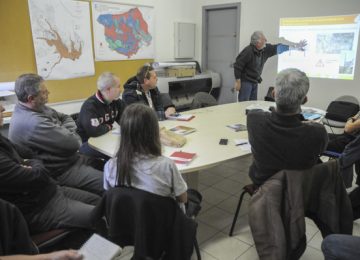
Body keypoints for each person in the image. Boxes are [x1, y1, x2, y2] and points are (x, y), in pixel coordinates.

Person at [0, 105, 98, 235]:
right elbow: (36, 175)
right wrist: (31, 164)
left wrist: (29, 163)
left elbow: (30, 155)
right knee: (99, 216)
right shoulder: (32, 121)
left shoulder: (2, 139)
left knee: (101, 203)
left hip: (51, 189)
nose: (2, 108)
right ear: (30, 98)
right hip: (38, 208)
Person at [8, 73, 103, 196]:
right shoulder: (34, 122)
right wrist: (65, 130)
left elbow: (66, 117)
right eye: (44, 92)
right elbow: (75, 143)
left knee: (109, 167)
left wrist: (62, 129)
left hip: (72, 159)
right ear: (31, 98)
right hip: (61, 171)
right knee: (111, 181)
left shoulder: (36, 107)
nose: (48, 93)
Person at [247, 68, 328, 185]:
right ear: (304, 100)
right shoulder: (317, 132)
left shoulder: (254, 118)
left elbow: (260, 113)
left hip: (263, 189)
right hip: (300, 192)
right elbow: (321, 150)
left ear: (273, 94)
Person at [103, 103, 188, 206]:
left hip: (128, 219)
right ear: (154, 132)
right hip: (162, 219)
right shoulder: (166, 165)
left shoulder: (110, 166)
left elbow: (110, 194)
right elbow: (182, 198)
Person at [234, 31, 307, 101]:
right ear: (258, 42)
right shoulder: (248, 51)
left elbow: (278, 48)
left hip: (254, 81)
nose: (266, 40)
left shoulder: (265, 50)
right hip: (246, 81)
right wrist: (238, 81)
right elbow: (238, 65)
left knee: (252, 103)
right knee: (244, 103)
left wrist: (295, 47)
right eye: (263, 39)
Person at [76, 72, 125, 159]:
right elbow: (94, 132)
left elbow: (125, 120)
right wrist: (110, 126)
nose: (120, 89)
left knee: (127, 149)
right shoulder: (90, 106)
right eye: (118, 86)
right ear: (108, 89)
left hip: (105, 139)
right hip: (88, 144)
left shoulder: (116, 102)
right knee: (120, 155)